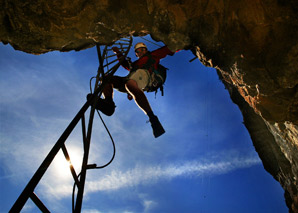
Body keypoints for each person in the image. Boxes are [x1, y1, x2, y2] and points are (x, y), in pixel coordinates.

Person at [90, 42, 175, 138]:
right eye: (138, 51)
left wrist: (184, 43)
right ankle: (108, 103)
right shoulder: (134, 65)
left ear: (146, 50)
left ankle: (153, 118)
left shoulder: (153, 55)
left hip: (146, 75)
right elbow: (124, 63)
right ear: (136, 54)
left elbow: (171, 47)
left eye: (143, 49)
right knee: (106, 79)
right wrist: (118, 52)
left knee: (130, 82)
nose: (141, 52)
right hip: (129, 80)